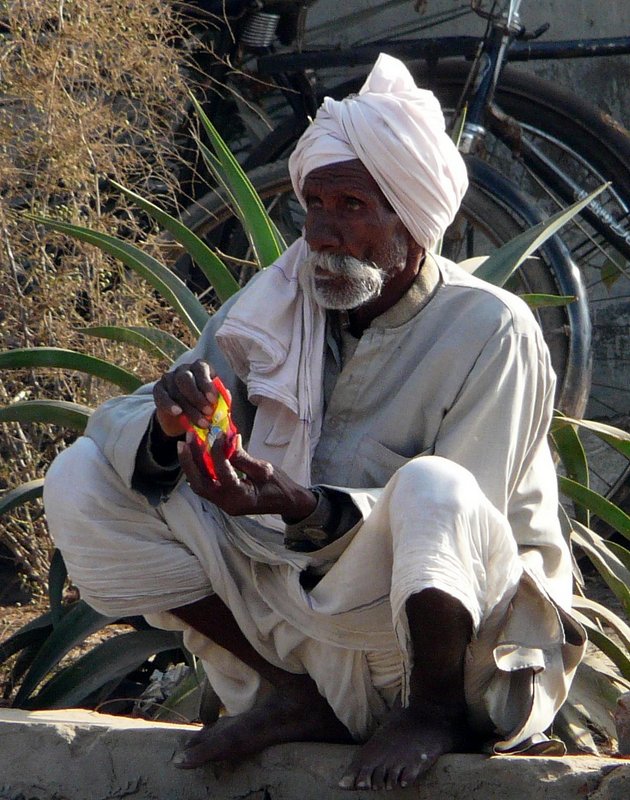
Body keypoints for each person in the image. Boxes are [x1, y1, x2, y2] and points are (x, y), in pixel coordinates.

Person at [44, 54, 586, 791]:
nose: (323, 234)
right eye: (315, 205)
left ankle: (432, 716)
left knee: (434, 487)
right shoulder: (276, 301)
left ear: (411, 219)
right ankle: (289, 693)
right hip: (302, 629)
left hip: (444, 648)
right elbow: (147, 419)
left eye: (353, 208)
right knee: (80, 476)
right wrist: (174, 421)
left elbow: (470, 521)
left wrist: (306, 508)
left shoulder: (493, 330)